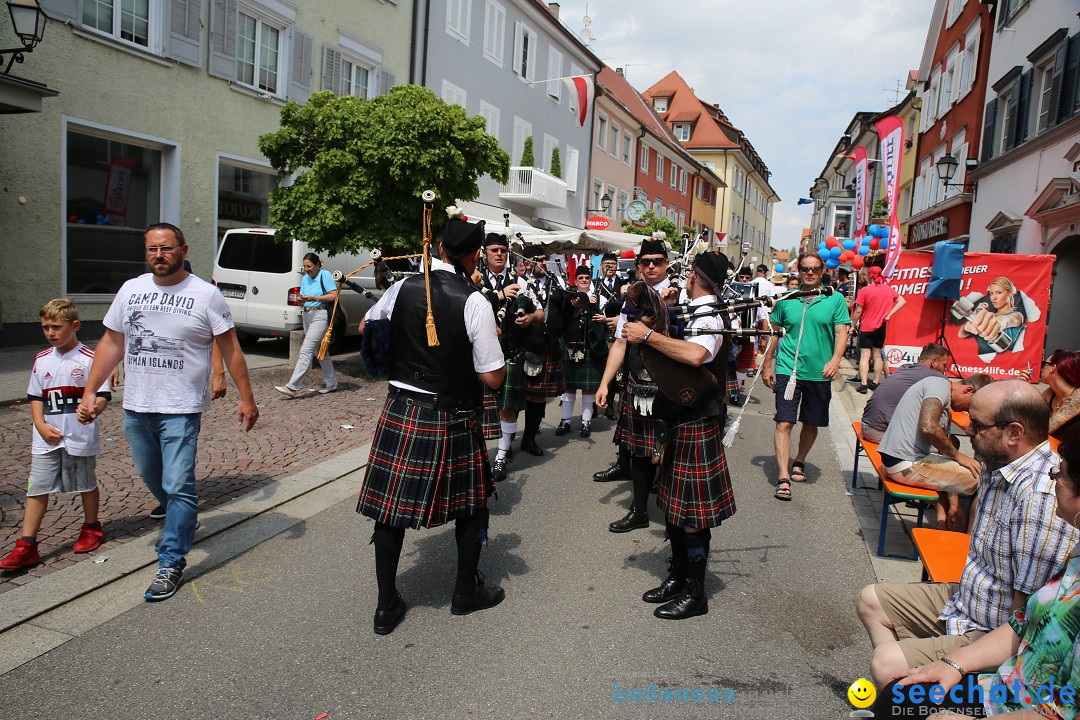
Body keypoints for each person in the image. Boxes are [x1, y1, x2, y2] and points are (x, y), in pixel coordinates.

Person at [77, 222, 259, 602]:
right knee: (150, 474)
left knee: (179, 485)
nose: (158, 256)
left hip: (180, 407)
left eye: (166, 248)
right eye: (151, 250)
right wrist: (91, 390)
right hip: (138, 404)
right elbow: (112, 341)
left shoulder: (206, 295)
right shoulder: (131, 289)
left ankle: (171, 559)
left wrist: (247, 397)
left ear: (183, 249)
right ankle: (183, 516)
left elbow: (230, 348)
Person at [856, 381, 1080, 687]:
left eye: (976, 425)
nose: (968, 432)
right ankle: (908, 697)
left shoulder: (1040, 497)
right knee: (871, 600)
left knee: (886, 664)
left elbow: (1023, 619)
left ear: (1014, 433)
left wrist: (964, 660)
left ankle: (912, 696)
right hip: (967, 598)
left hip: (990, 627)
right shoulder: (999, 460)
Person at [356, 214, 506, 635]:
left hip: (402, 409)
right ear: (475, 254)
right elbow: (493, 377)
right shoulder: (475, 301)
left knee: (390, 512)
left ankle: (386, 606)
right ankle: (465, 593)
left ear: (440, 249)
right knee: (473, 507)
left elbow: (368, 326)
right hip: (451, 414)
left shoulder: (401, 287)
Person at [871, 439, 1080, 719]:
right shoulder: (1076, 555)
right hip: (1004, 688)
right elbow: (1023, 622)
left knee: (897, 696)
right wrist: (953, 664)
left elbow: (1066, 711)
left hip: (1026, 707)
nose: (1052, 481)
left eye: (1060, 475)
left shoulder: (1035, 497)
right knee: (898, 695)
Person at [617, 252, 736, 619]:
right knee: (673, 505)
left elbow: (697, 355)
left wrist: (649, 335)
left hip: (697, 419)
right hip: (677, 417)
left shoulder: (710, 313)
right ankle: (679, 575)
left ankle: (695, 593)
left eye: (689, 272)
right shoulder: (693, 306)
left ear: (695, 276)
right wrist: (664, 310)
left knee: (693, 515)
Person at [0, 300, 112, 570]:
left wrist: (93, 410)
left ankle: (91, 528)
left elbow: (103, 395)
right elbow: (36, 396)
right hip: (46, 438)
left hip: (78, 436)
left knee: (85, 483)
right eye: (45, 327)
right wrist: (39, 424)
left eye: (56, 327)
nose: (50, 332)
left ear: (74, 326)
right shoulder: (42, 359)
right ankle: (27, 544)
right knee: (37, 487)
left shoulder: (90, 359)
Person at [594, 235, 677, 531]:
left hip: (670, 386)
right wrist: (604, 383)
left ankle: (674, 519)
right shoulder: (631, 300)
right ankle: (639, 510)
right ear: (639, 266)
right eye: (646, 262)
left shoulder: (680, 296)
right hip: (637, 385)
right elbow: (619, 344)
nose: (652, 266)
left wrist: (670, 307)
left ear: (666, 264)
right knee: (641, 453)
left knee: (670, 453)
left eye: (657, 261)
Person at [761, 251, 850, 500]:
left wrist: (835, 360)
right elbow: (775, 333)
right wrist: (768, 365)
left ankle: (799, 460)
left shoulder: (834, 299)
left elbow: (842, 333)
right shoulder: (787, 298)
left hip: (819, 372)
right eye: (805, 269)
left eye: (815, 269)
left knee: (811, 423)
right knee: (784, 422)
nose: (810, 273)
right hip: (788, 369)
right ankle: (783, 476)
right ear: (798, 271)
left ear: (823, 272)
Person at [877, 373, 994, 530]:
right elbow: (929, 427)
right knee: (985, 480)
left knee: (955, 454)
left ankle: (942, 524)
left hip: (898, 461)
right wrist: (960, 457)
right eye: (971, 405)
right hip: (904, 464)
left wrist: (954, 505)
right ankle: (970, 543)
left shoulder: (941, 393)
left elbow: (942, 451)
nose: (968, 411)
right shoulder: (939, 386)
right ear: (968, 390)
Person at [514, 245, 568, 456]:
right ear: (527, 263)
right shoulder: (517, 283)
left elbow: (565, 310)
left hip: (549, 347)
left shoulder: (556, 283)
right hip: (523, 348)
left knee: (537, 397)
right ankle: (506, 443)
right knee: (514, 399)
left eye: (546, 259)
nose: (545, 263)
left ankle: (528, 438)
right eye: (540, 259)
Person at [476, 231, 520, 449]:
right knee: (480, 405)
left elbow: (538, 311)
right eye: (494, 250)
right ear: (485, 253)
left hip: (510, 349)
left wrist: (531, 316)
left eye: (503, 250)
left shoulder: (519, 279)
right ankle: (482, 450)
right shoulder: (476, 278)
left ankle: (504, 451)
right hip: (481, 350)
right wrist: (500, 296)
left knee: (507, 406)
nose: (499, 254)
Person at [860, 342, 953, 443]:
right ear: (933, 362)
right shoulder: (935, 377)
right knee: (942, 445)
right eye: (944, 365)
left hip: (868, 424)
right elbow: (951, 394)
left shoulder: (905, 368)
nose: (945, 369)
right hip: (880, 431)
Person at [275, 253, 339, 397]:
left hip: (320, 315)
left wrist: (314, 298)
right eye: (305, 266)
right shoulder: (305, 279)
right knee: (320, 352)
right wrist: (301, 300)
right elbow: (303, 297)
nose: (307, 269)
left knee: (306, 351)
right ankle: (331, 383)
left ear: (317, 265)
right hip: (307, 315)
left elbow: (334, 295)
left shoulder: (324, 275)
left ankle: (292, 386)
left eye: (309, 266)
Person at [557, 265, 605, 438]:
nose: (584, 280)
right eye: (581, 278)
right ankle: (566, 421)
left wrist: (593, 306)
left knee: (588, 388)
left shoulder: (598, 297)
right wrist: (574, 306)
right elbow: (561, 318)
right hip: (569, 343)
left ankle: (586, 423)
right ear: (575, 280)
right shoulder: (569, 296)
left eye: (587, 277)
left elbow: (602, 320)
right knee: (568, 387)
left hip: (588, 345)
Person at [850, 266, 905, 393]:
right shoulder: (888, 290)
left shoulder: (865, 290)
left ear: (869, 276)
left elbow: (858, 310)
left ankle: (863, 384)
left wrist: (853, 324)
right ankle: (875, 381)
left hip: (867, 327)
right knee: (877, 355)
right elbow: (902, 301)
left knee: (864, 356)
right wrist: (890, 314)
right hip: (881, 327)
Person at [956, 277, 1032, 361]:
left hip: (1007, 367)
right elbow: (961, 334)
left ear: (1010, 293)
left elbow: (1007, 320)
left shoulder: (1016, 316)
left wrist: (999, 323)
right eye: (991, 293)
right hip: (980, 365)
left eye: (999, 293)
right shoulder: (986, 315)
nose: (993, 298)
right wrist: (975, 315)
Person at [595, 253, 625, 421]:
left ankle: (610, 404)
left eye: (613, 264)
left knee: (615, 370)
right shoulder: (595, 284)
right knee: (599, 366)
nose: (610, 267)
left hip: (617, 331)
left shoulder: (624, 284)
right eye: (607, 264)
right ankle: (593, 402)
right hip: (599, 330)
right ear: (601, 266)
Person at [1039, 349, 1080, 448]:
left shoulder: (1077, 396)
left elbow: (1048, 428)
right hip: (1057, 449)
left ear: (1052, 367)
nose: (1041, 369)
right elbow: (1028, 411)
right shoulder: (1051, 393)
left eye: (1044, 364)